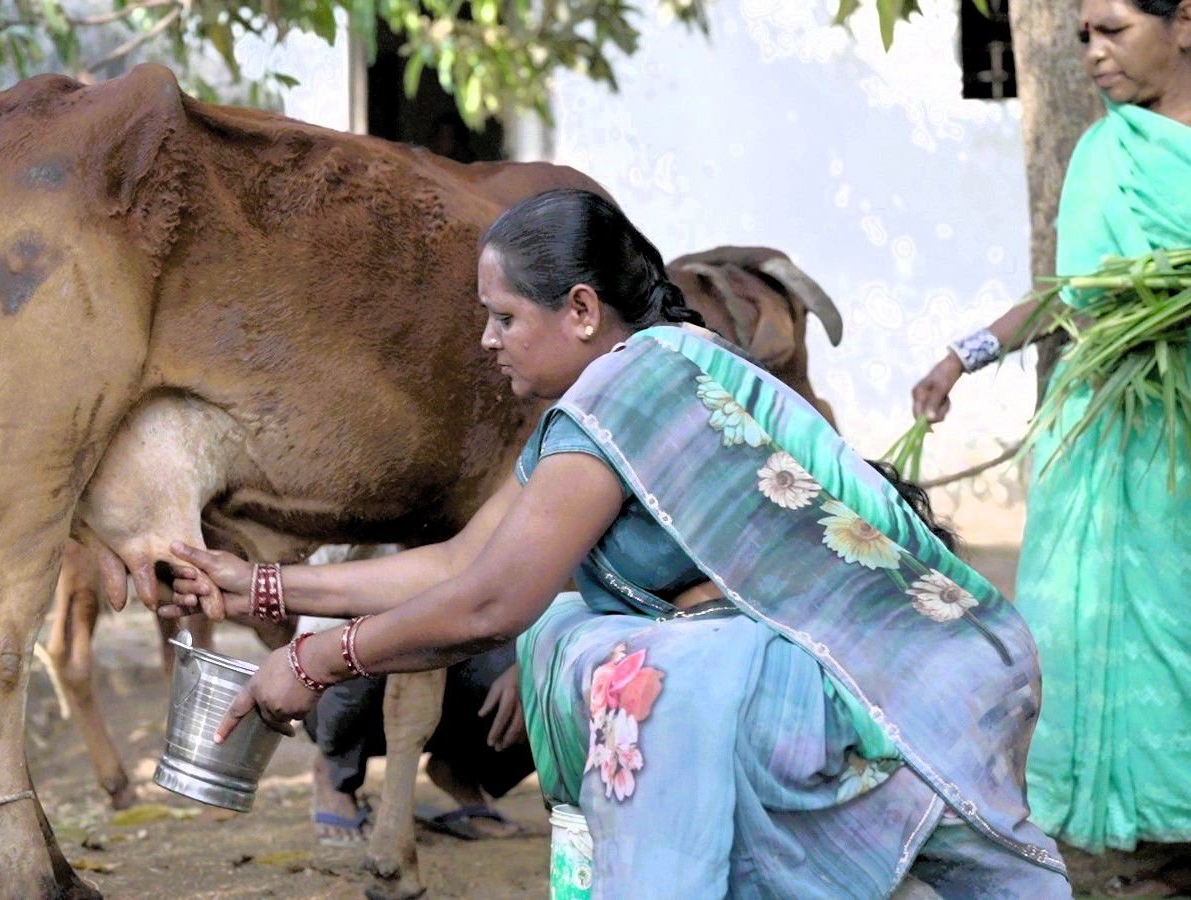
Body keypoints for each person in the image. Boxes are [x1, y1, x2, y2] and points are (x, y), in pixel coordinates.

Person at [170, 188, 1069, 896]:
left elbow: (490, 603)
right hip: (942, 663)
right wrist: (261, 588)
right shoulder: (646, 373)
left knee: (612, 655)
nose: (486, 342)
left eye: (504, 317)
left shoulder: (625, 396)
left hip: (890, 687)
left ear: (583, 309)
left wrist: (320, 660)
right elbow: (459, 561)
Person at [911, 0, 1191, 891]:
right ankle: (1152, 838)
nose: (1093, 54)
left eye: (1113, 30)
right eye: (1083, 36)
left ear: (1183, 21)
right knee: (1099, 629)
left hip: (1179, 426)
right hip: (1108, 428)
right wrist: (966, 352)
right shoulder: (1106, 151)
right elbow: (1070, 295)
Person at [298, 546, 534, 845]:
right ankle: (335, 773)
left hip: (455, 653)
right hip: (347, 665)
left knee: (541, 673)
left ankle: (460, 771)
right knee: (366, 649)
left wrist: (524, 663)